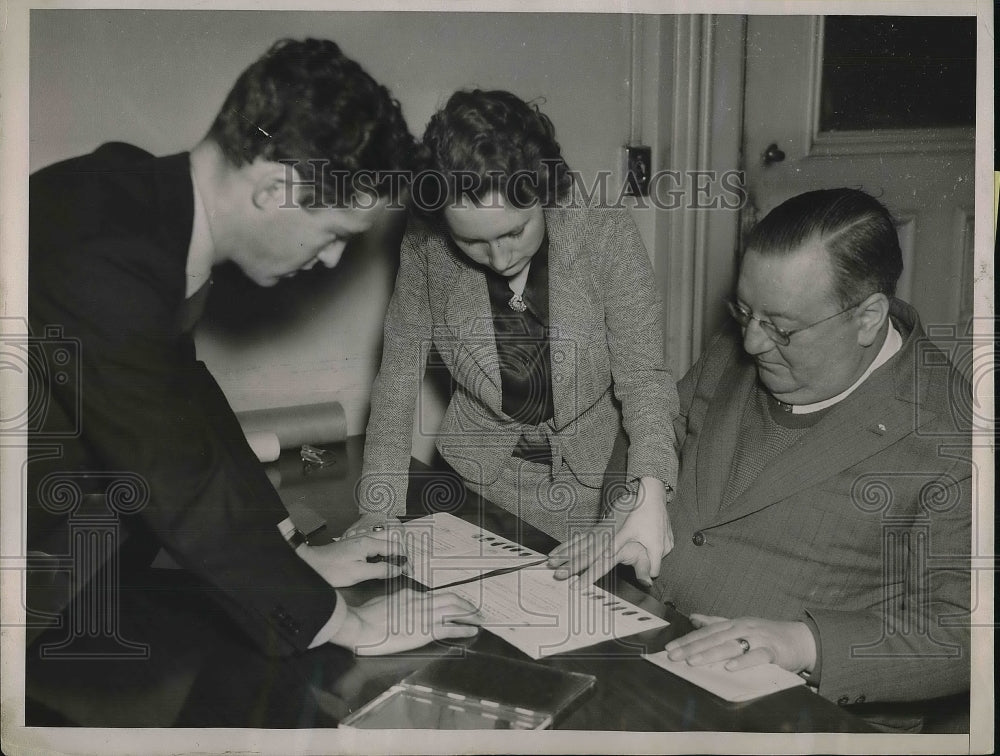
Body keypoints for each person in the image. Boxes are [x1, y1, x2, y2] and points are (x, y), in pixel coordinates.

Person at [27, 38, 480, 660]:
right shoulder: (103, 259)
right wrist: (352, 625)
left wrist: (294, 552)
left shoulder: (141, 201)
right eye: (333, 234)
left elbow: (184, 398)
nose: (331, 259)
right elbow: (177, 483)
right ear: (272, 190)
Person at [637, 189, 970, 729]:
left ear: (868, 317)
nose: (751, 342)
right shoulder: (755, 334)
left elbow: (967, 631)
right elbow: (660, 430)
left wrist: (805, 643)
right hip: (647, 641)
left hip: (794, 717)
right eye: (744, 311)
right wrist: (633, 499)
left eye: (780, 328)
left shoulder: (951, 432)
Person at [352, 90, 679, 584]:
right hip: (476, 484)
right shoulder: (427, 245)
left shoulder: (603, 231)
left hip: (594, 488)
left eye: (514, 232)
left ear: (543, 193)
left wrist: (649, 489)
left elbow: (644, 379)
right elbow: (398, 379)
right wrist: (379, 508)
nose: (501, 259)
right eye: (472, 241)